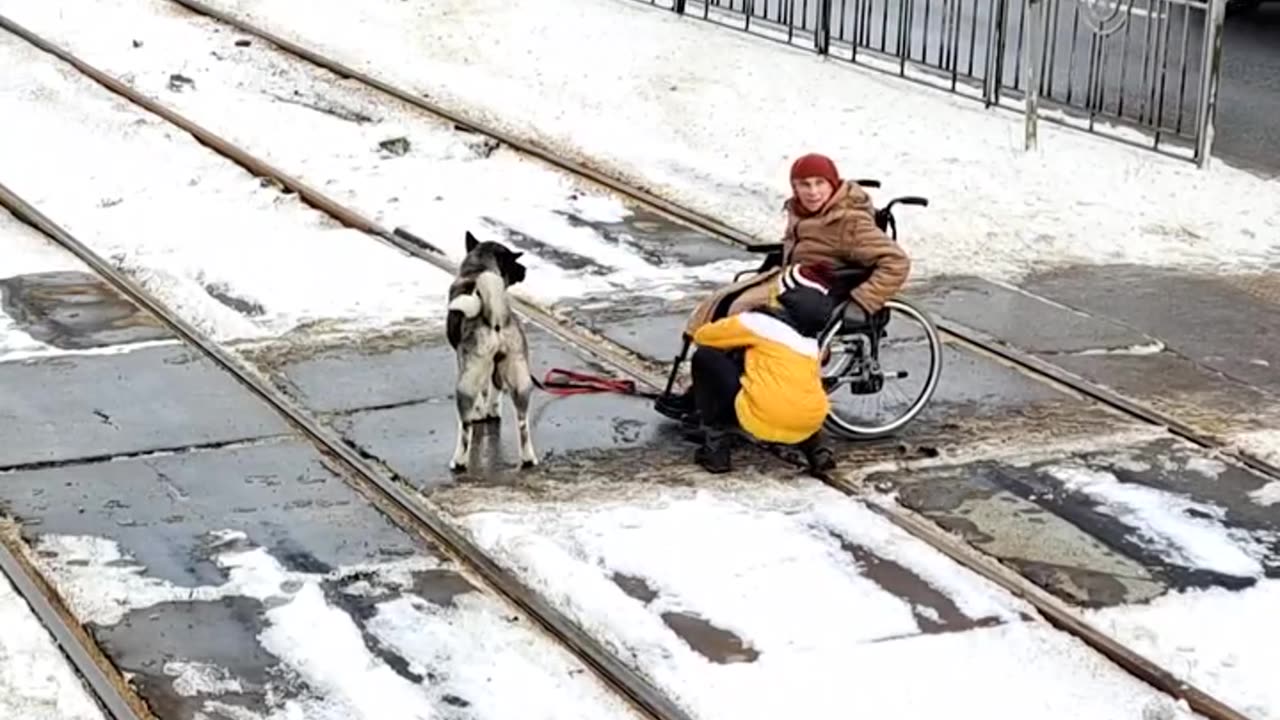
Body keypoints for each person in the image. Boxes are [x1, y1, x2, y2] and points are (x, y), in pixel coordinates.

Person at [662, 152, 911, 417]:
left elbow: (896, 261)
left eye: (820, 183)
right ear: (795, 187)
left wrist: (863, 300)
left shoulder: (849, 221)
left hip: (822, 293)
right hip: (793, 280)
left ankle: (730, 401)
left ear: (833, 185)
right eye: (805, 184)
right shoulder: (800, 211)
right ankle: (709, 393)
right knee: (719, 306)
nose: (813, 192)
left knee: (742, 318)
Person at [688, 264, 839, 475]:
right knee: (795, 392)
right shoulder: (812, 342)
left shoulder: (758, 323)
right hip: (809, 423)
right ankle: (818, 449)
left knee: (707, 357)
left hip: (760, 421)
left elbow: (703, 336)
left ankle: (716, 449)